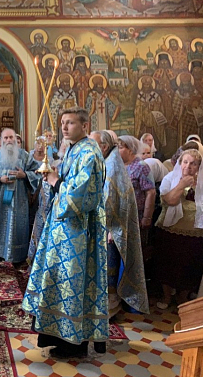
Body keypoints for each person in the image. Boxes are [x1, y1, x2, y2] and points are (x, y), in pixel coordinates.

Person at [22, 108, 108, 359]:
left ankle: (74, 343)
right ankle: (58, 336)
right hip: (65, 229)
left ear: (84, 125)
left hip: (79, 230)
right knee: (60, 280)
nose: (64, 127)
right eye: (62, 123)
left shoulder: (89, 152)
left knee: (73, 282)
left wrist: (55, 181)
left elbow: (81, 195)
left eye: (70, 122)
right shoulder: (73, 149)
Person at [90, 131, 148, 318]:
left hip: (111, 228)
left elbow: (109, 202)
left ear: (104, 147)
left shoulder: (112, 167)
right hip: (111, 226)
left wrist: (109, 229)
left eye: (92, 144)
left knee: (109, 269)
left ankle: (111, 307)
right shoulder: (109, 161)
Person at [153, 148, 203, 309]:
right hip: (171, 230)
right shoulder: (170, 178)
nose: (188, 166)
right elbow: (170, 201)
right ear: (180, 163)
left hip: (195, 233)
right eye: (185, 162)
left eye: (193, 164)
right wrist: (181, 185)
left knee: (191, 265)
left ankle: (183, 297)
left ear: (199, 166)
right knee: (168, 263)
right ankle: (167, 296)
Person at [0, 129, 39, 266]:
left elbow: (37, 172)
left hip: (19, 200)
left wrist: (25, 175)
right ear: (1, 140)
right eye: (5, 138)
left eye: (11, 137)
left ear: (15, 139)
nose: (8, 140)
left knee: (17, 225)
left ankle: (17, 256)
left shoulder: (25, 156)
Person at [118, 136, 156, 250]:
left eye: (120, 147)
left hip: (136, 216)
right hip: (119, 216)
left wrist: (146, 218)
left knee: (134, 250)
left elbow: (150, 193)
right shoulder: (118, 165)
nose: (116, 151)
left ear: (130, 150)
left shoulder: (141, 166)